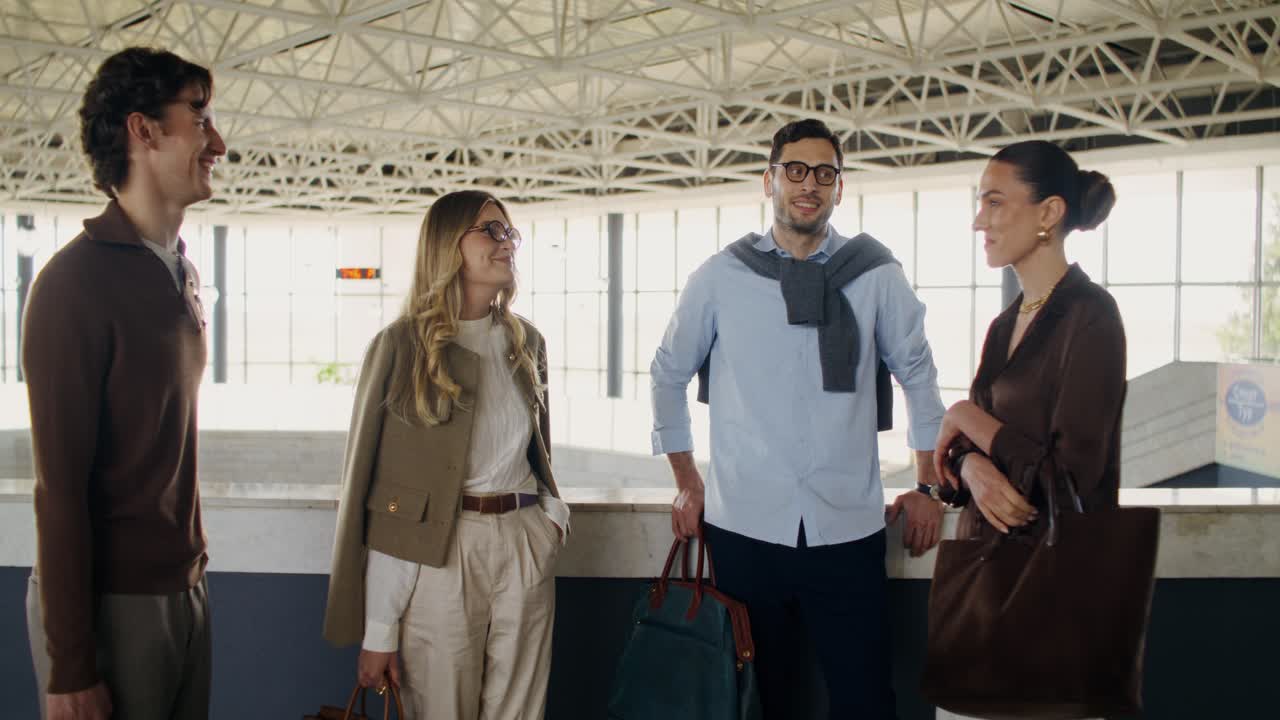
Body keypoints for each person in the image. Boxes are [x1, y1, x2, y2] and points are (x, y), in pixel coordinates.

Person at [649, 118, 947, 719]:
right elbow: (666, 374)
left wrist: (928, 486)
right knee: (764, 702)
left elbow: (918, 377)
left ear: (840, 188)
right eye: (795, 170)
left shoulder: (876, 275)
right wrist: (687, 480)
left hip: (849, 529)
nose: (809, 184)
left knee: (867, 701)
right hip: (745, 530)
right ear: (770, 180)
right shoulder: (720, 277)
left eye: (825, 173)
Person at [22, 47, 226, 720]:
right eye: (198, 117)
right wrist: (71, 665)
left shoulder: (179, 274)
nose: (217, 141)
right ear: (143, 131)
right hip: (112, 608)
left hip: (184, 592)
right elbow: (59, 490)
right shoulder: (74, 285)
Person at [323, 190, 568, 720]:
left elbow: (536, 447)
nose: (507, 245)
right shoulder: (402, 348)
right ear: (446, 245)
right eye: (491, 232)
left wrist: (552, 515)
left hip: (525, 540)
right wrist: (380, 630)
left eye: (511, 233)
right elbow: (389, 498)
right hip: (441, 554)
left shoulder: (527, 342)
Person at [931, 140, 1123, 542]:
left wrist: (967, 415)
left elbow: (1069, 485)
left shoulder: (1092, 317)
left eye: (994, 203)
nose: (978, 222)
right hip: (986, 574)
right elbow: (958, 454)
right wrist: (970, 467)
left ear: (1049, 212)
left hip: (1055, 583)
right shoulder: (1005, 325)